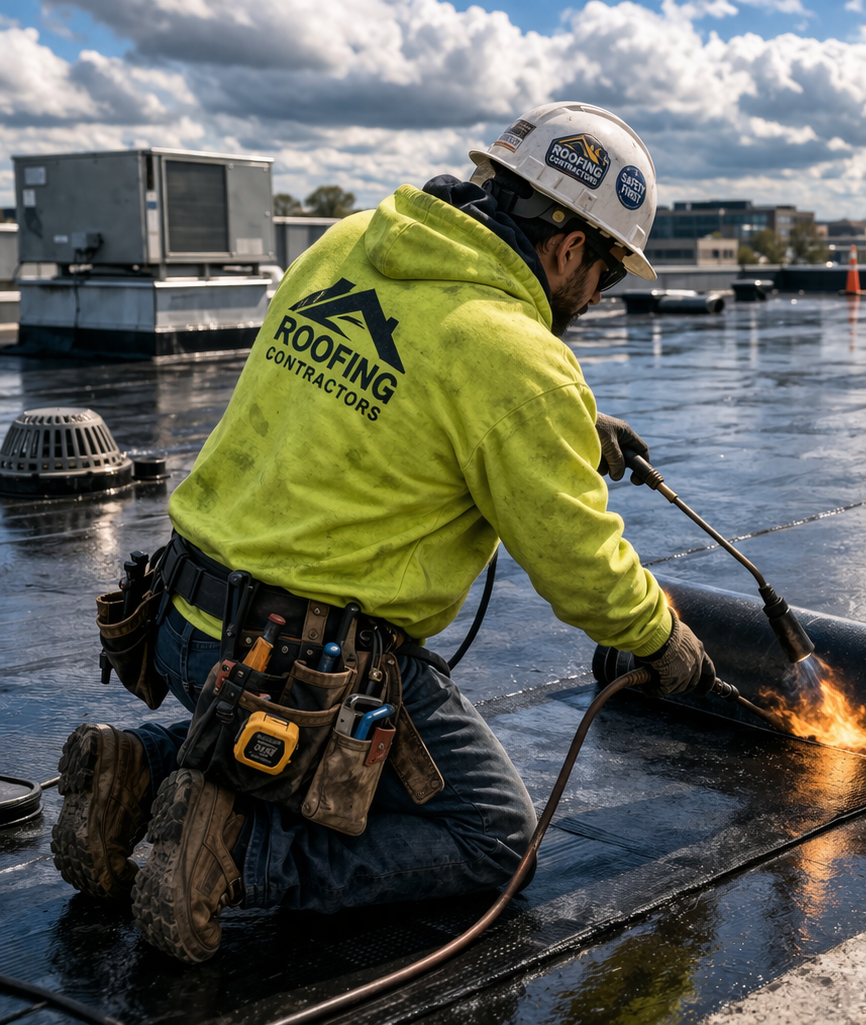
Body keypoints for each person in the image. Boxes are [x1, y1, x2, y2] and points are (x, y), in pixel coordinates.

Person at [50, 102, 718, 963]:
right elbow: (578, 562)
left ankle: (138, 772)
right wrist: (659, 636)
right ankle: (233, 857)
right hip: (301, 666)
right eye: (608, 274)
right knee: (490, 835)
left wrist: (568, 423)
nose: (596, 297)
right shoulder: (518, 359)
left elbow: (404, 379)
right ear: (566, 248)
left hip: (179, 620)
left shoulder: (352, 238)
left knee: (342, 769)